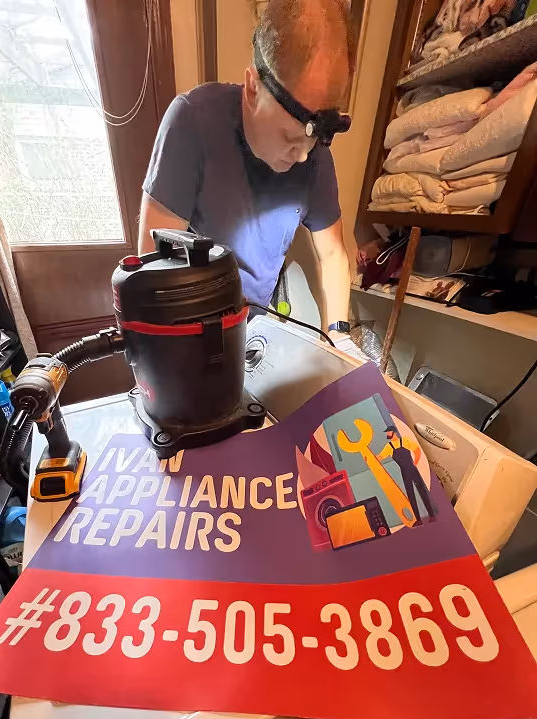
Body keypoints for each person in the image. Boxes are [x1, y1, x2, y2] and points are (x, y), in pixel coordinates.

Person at [138, 0, 355, 343]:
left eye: (311, 143)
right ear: (253, 88)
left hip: (252, 335)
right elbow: (153, 267)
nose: (302, 157)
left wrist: (339, 339)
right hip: (189, 329)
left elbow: (333, 256)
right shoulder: (192, 124)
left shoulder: (314, 159)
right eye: (289, 138)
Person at [383, 426, 437, 525]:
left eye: (388, 432)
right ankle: (418, 520)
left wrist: (416, 462)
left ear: (393, 432)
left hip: (413, 469)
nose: (387, 434)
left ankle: (432, 516)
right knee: (410, 494)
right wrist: (368, 458)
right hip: (404, 472)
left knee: (422, 491)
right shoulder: (389, 446)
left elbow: (417, 450)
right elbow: (381, 456)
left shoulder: (405, 441)